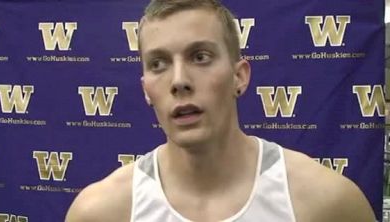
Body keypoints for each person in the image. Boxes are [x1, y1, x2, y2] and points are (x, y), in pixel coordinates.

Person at [65, 0, 376, 221]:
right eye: (158, 64)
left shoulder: (326, 203)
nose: (179, 81)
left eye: (200, 57)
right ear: (146, 88)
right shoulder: (100, 212)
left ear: (239, 76)